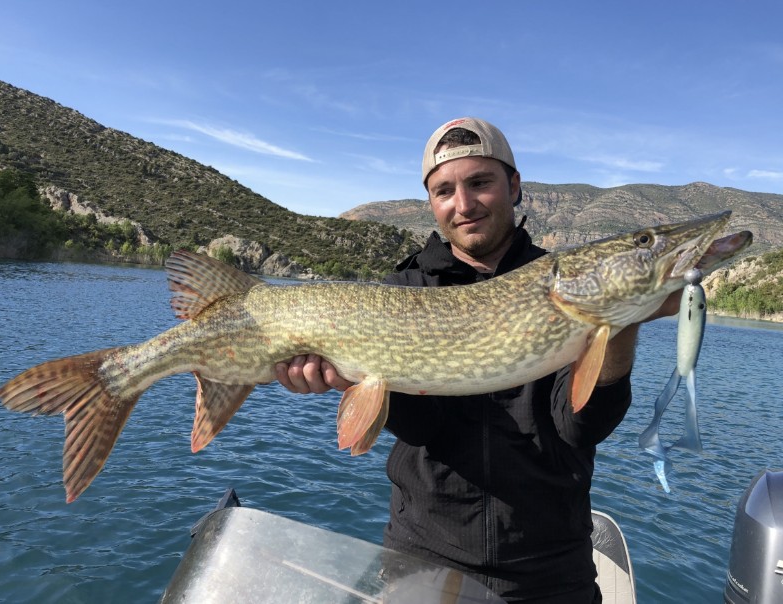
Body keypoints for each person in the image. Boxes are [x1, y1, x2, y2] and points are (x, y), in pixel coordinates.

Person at [275, 117, 676, 603]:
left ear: (514, 186)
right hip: (424, 563)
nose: (463, 205)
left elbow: (580, 428)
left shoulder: (560, 286)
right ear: (431, 202)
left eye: (480, 183)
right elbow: (423, 429)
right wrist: (348, 377)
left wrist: (621, 322)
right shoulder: (403, 291)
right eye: (444, 191)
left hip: (550, 571)